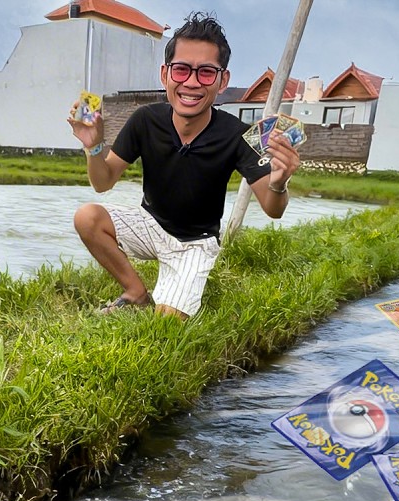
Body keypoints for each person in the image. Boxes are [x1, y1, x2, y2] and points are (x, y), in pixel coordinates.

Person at [67, 11, 301, 319]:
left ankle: (172, 290)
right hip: (149, 225)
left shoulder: (236, 135)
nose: (191, 83)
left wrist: (279, 181)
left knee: (167, 322)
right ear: (165, 74)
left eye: (206, 73)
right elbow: (103, 181)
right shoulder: (145, 120)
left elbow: (273, 208)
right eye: (181, 70)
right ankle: (135, 292)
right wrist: (93, 146)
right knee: (87, 217)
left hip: (195, 243)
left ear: (222, 80)